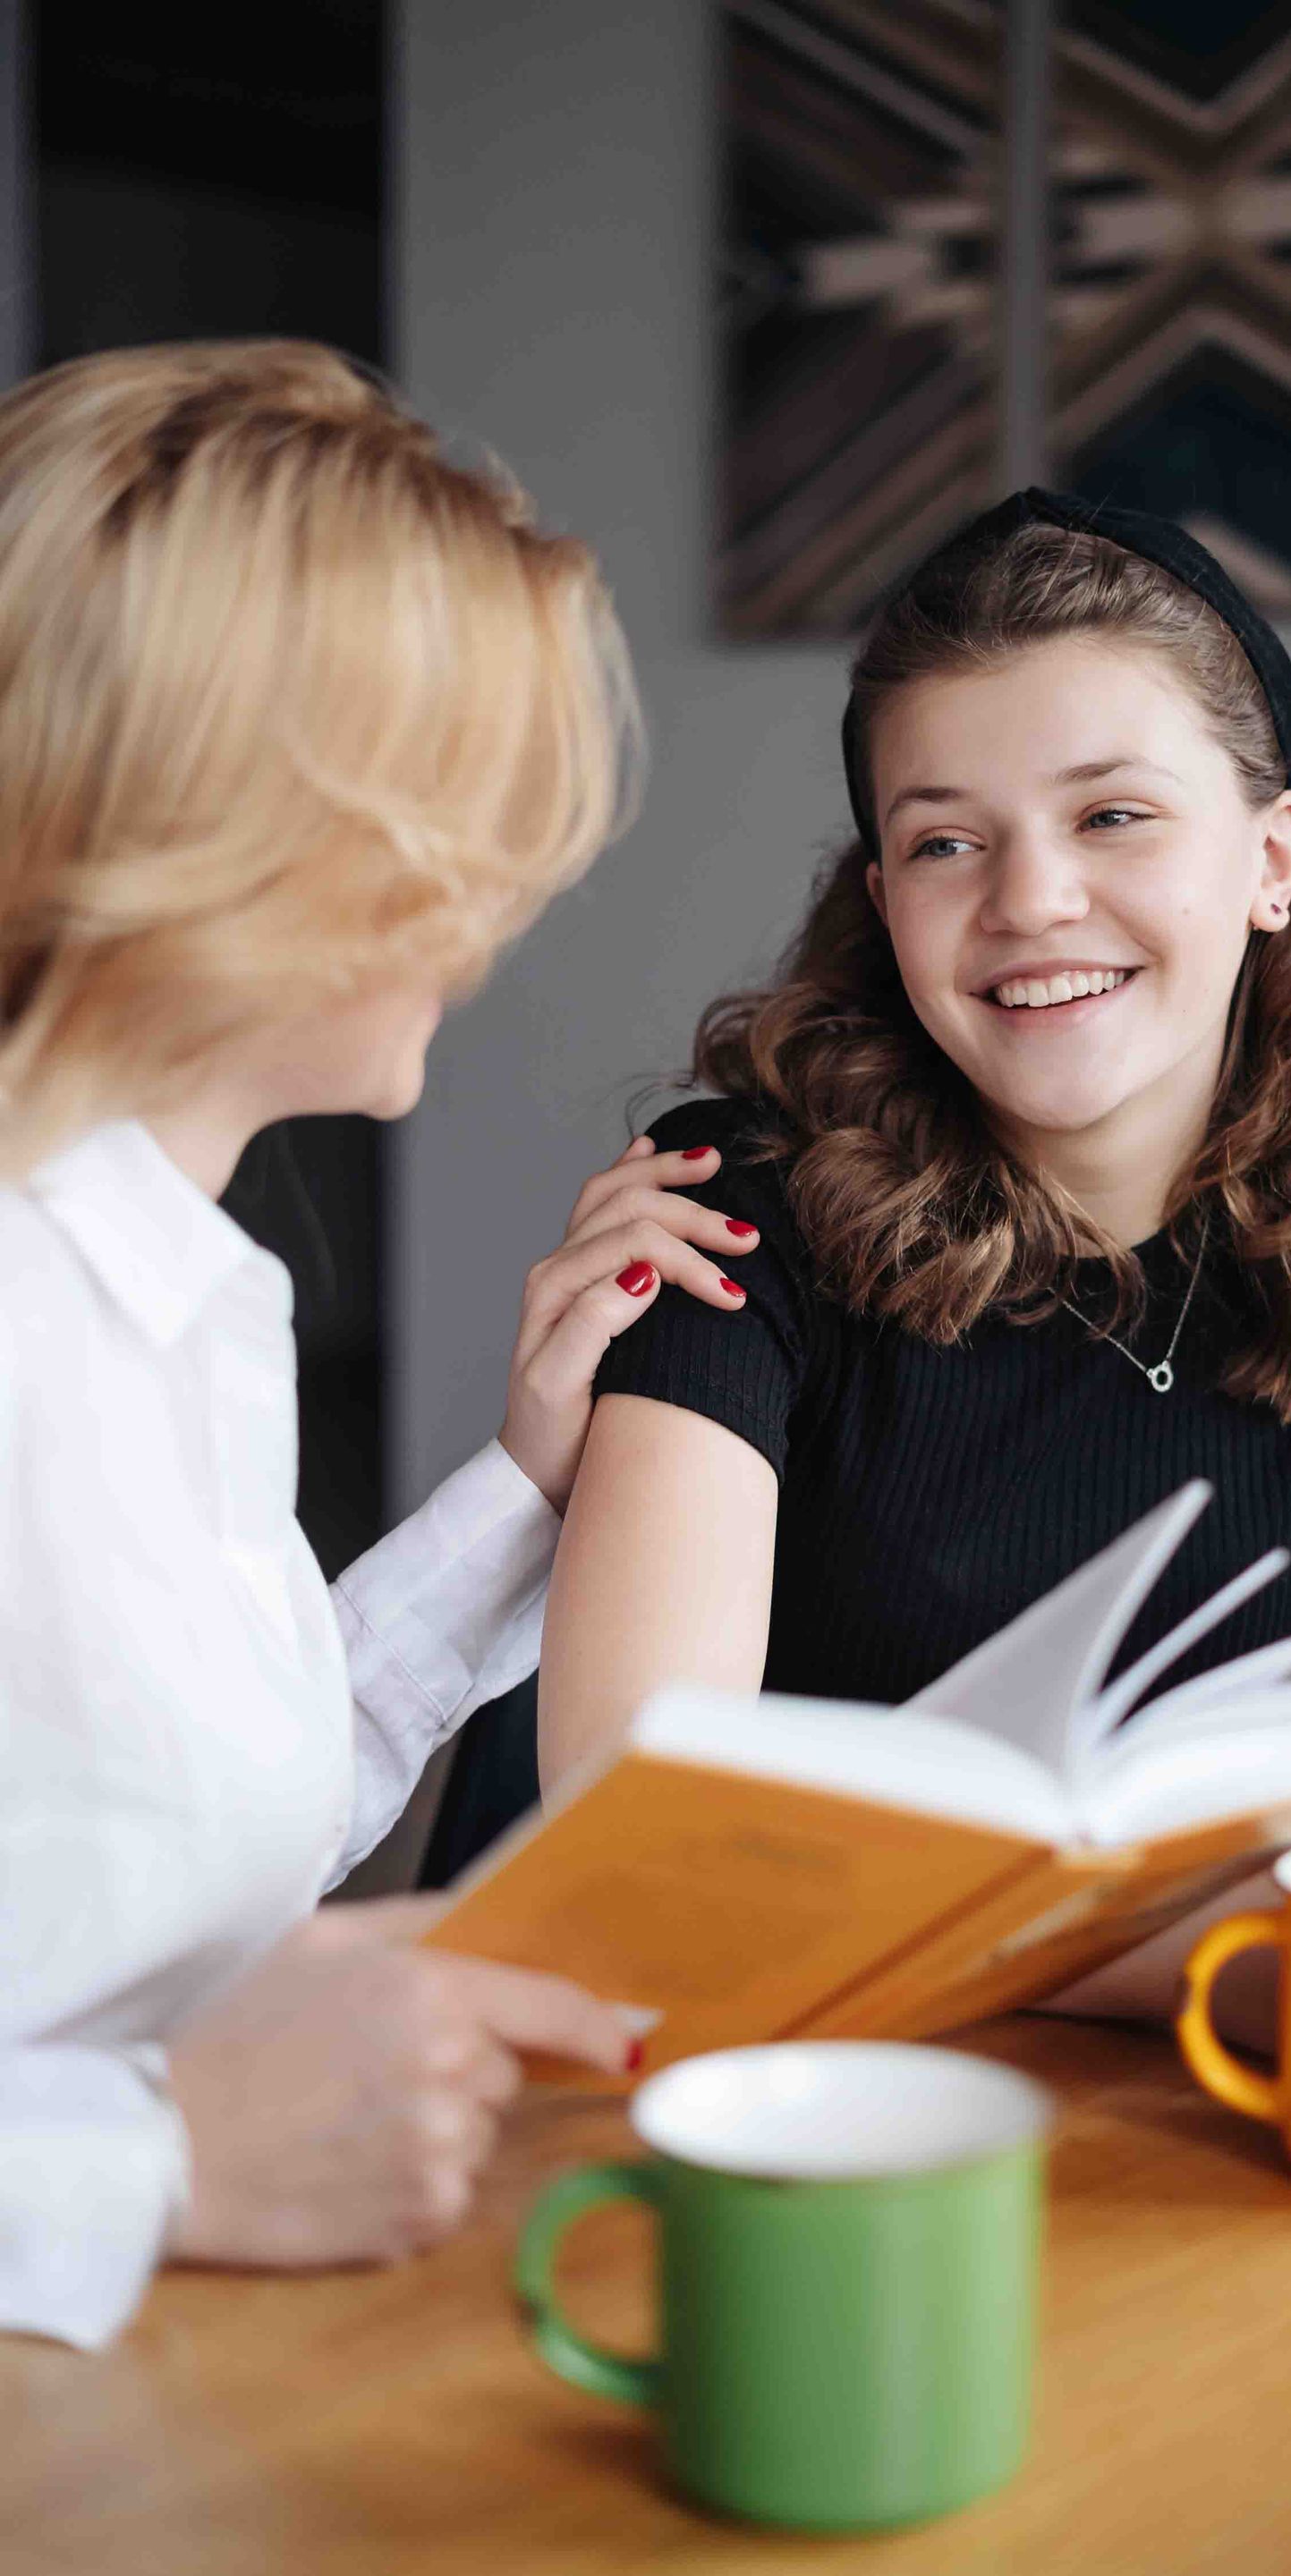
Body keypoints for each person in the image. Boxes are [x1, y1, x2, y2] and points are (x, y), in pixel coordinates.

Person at [539, 487, 1291, 2038]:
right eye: (947, 840)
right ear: (887, 905)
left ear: (1272, 858)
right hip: (762, 2074)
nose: (1030, 901)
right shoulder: (733, 1208)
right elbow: (657, 1862)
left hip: (1169, 2106)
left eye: (1113, 814)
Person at [0, 342, 759, 2347]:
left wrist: (521, 1488)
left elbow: (152, 1848)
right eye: (470, 821)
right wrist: (149, 2160)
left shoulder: (184, 1287)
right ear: (251, 830)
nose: (511, 893)